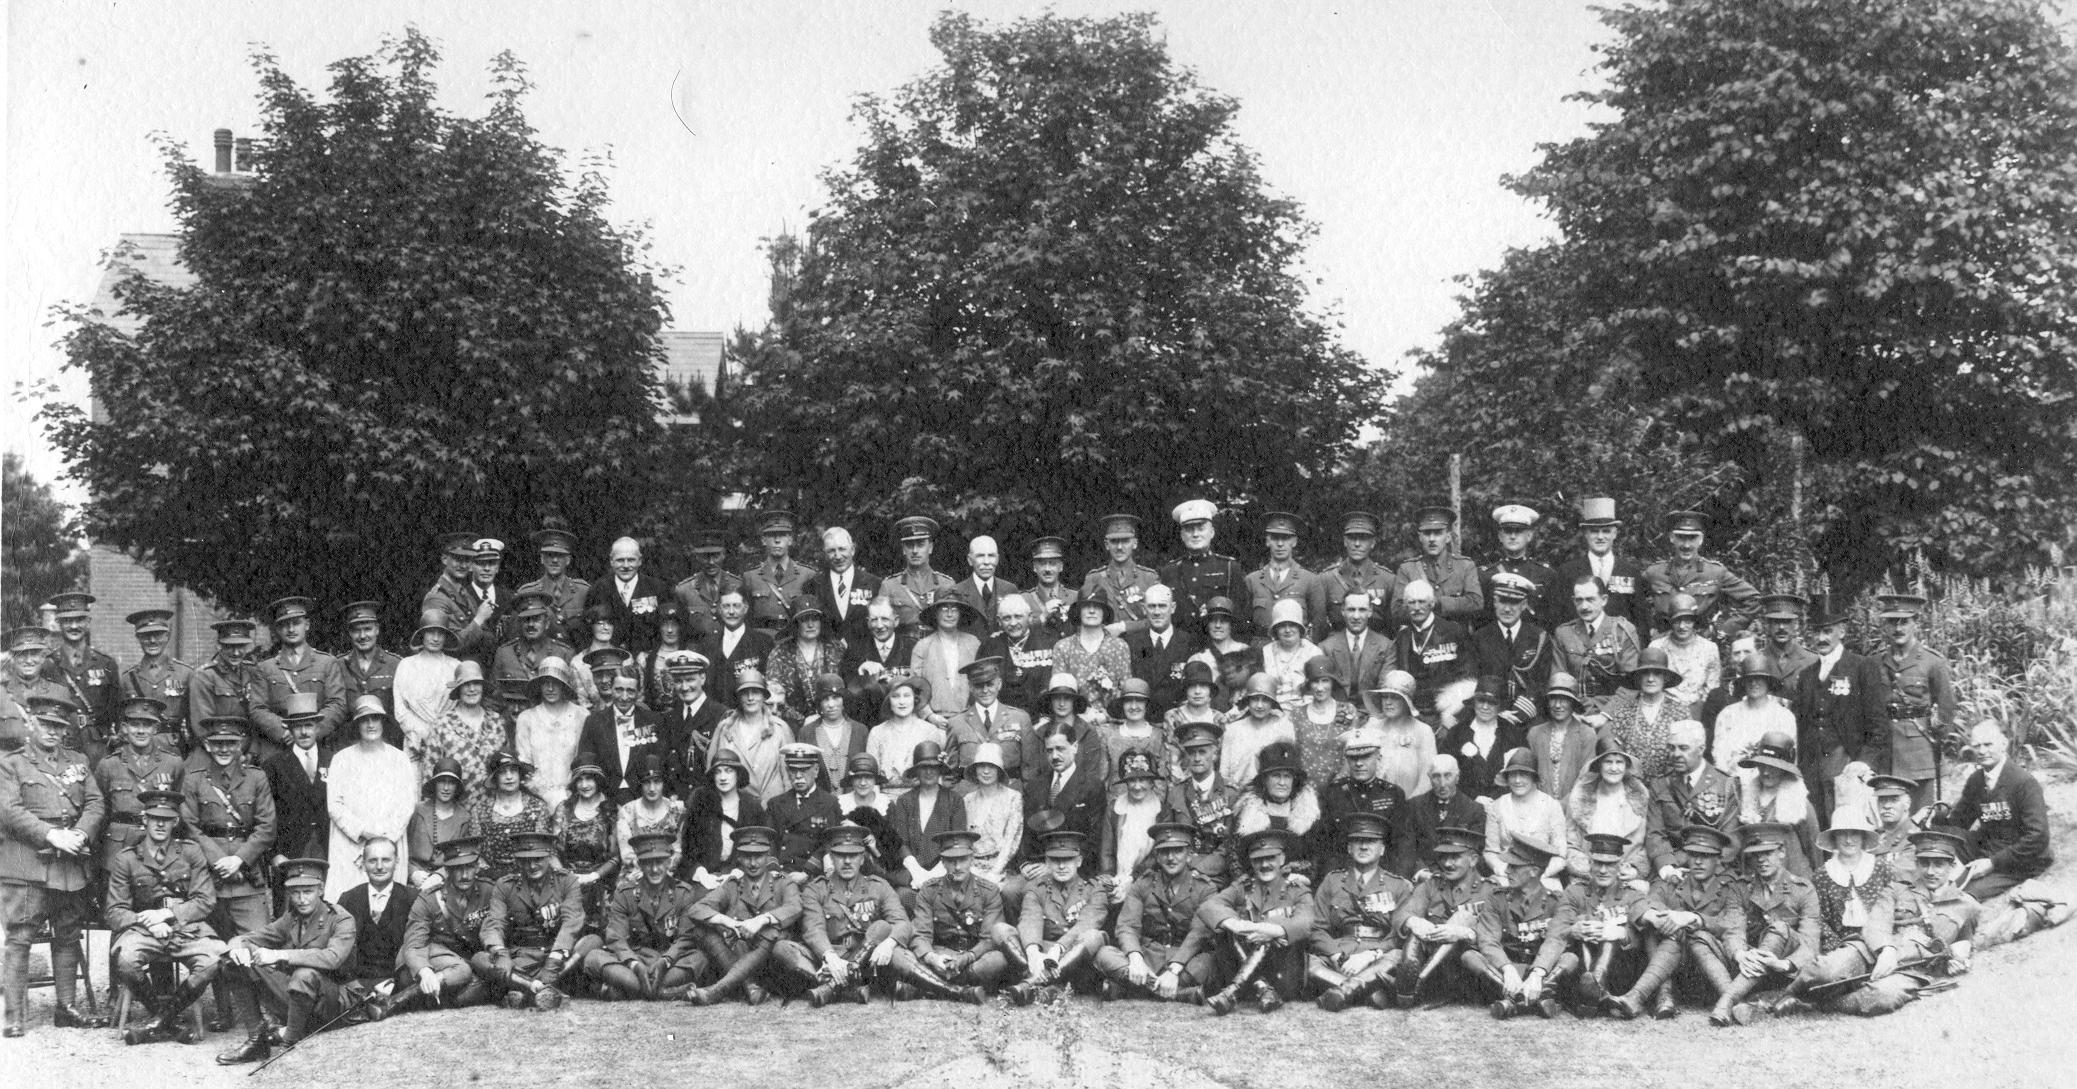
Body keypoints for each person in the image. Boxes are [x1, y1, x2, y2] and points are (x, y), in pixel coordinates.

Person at [0, 701, 107, 1037]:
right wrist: (51, 834)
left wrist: (80, 832)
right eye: (46, 723)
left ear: (66, 729)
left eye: (59, 726)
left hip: (69, 860)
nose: (52, 731)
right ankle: (15, 1015)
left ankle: (67, 1008)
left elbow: (95, 801)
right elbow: (9, 810)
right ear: (31, 722)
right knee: (20, 936)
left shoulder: (78, 762)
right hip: (27, 859)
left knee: (68, 932)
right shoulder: (11, 763)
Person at [107, 788, 226, 1045]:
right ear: (144, 820)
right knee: (126, 959)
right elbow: (114, 912)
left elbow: (205, 901)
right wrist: (146, 921)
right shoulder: (126, 859)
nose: (160, 824)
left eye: (167, 818)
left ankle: (159, 1022)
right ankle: (166, 1020)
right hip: (144, 931)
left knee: (214, 958)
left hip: (186, 929)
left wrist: (168, 915)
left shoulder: (191, 852)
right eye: (154, 818)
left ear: (176, 822)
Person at [210, 858, 357, 1065]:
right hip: (301, 994)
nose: (301, 899)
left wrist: (280, 955)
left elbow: (333, 958)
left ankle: (290, 1040)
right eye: (295, 893)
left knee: (304, 974)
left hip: (335, 998)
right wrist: (237, 948)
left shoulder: (341, 919)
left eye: (308, 892)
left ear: (321, 890)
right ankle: (257, 1040)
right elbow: (250, 938)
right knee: (231, 962)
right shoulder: (292, 918)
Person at [1600, 825, 1744, 1019]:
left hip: (1714, 975)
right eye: (1693, 854)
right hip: (1680, 973)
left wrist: (1696, 919)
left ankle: (1642, 996)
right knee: (1662, 927)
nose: (1699, 861)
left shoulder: (1730, 887)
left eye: (1706, 856)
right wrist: (1660, 916)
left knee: (1685, 932)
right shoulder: (1675, 881)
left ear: (1719, 859)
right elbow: (1642, 902)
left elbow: (1733, 924)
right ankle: (1653, 996)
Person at [181, 716, 278, 1005]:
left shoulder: (256, 778)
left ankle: (268, 1008)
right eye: (217, 743)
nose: (224, 749)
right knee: (216, 945)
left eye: (231, 743)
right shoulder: (195, 780)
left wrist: (239, 860)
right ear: (207, 746)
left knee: (259, 941)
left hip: (247, 877)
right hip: (211, 879)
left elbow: (266, 827)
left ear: (240, 746)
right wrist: (218, 859)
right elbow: (189, 826)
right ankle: (223, 1008)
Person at [1772, 807, 1898, 1013]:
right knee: (1831, 972)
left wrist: (1885, 944)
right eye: (1843, 834)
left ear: (1863, 836)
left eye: (1854, 833)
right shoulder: (1822, 875)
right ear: (1834, 838)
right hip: (1843, 946)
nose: (1849, 840)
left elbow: (1894, 906)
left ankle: (1823, 1000)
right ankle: (1793, 994)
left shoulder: (1881, 868)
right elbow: (1818, 919)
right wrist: (1837, 948)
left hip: (1880, 944)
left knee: (1882, 993)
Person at [1094, 820, 1216, 1004]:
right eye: (1165, 851)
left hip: (1184, 960)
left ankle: (1132, 989)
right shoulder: (1142, 884)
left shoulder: (1205, 888)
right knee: (1103, 954)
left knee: (1209, 962)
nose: (1171, 858)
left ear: (1189, 855)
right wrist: (1135, 959)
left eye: (1178, 851)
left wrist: (1175, 970)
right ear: (1157, 856)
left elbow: (1199, 933)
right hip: (1148, 958)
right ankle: (1180, 994)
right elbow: (1127, 926)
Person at [1526, 832, 1648, 1017]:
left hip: (1619, 973)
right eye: (1598, 863)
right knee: (1582, 921)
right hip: (1580, 970)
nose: (1603, 870)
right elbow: (1556, 931)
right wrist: (1573, 931)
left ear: (1621, 866)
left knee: (1608, 933)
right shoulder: (1575, 893)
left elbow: (1644, 937)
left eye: (1610, 864)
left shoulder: (1633, 896)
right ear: (1590, 864)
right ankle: (1592, 990)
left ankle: (1596, 984)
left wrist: (1620, 933)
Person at [1713, 821, 1821, 1025]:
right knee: (1703, 940)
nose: (1761, 860)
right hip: (1748, 967)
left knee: (1779, 927)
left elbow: (1810, 944)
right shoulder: (1741, 887)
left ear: (1782, 852)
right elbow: (1733, 928)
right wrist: (1740, 953)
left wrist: (1782, 964)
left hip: (1785, 970)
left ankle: (1726, 1002)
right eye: (1755, 854)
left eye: (1768, 852)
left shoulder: (1803, 889)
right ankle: (1742, 1001)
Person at [1795, 593, 1890, 818]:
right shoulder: (1806, 676)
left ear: (1842, 632)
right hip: (1812, 769)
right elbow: (1801, 726)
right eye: (1816, 632)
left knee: (1848, 826)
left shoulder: (1861, 667)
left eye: (1827, 631)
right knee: (1817, 827)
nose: (1821, 638)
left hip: (1849, 764)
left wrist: (1864, 763)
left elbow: (1878, 725)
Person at [1200, 827, 1315, 1015]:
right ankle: (1262, 987)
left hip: (1283, 977)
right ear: (1251, 863)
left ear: (1282, 859)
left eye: (1271, 858)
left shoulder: (1296, 889)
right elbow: (1208, 907)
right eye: (1258, 860)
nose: (1265, 865)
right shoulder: (1242, 887)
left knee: (1269, 935)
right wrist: (1238, 925)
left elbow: (1307, 922)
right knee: (1228, 928)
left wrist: (1270, 930)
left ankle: (1233, 991)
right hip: (1248, 975)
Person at [581, 832, 708, 1001]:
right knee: (593, 958)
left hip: (669, 963)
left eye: (660, 862)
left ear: (669, 862)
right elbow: (616, 938)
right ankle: (663, 992)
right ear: (639, 864)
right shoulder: (625, 893)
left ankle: (631, 990)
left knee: (700, 959)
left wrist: (666, 960)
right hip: (634, 959)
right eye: (648, 863)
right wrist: (634, 965)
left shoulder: (683, 892)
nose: (655, 869)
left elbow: (686, 938)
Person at [683, 825, 802, 1005]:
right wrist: (728, 922)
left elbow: (795, 907)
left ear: (768, 855)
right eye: (747, 857)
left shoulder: (783, 883)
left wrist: (762, 920)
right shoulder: (732, 885)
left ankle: (718, 990)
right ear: (739, 857)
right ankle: (749, 986)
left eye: (759, 856)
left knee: (771, 932)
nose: (753, 863)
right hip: (738, 956)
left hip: (771, 964)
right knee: (701, 930)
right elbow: (696, 909)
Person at [1307, 811, 1414, 1011]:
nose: (1364, 846)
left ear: (1382, 849)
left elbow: (1399, 934)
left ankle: (1343, 991)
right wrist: (1335, 955)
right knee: (1311, 964)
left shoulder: (1398, 886)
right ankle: (1369, 992)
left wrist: (1370, 955)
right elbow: (1317, 928)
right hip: (1341, 954)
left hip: (1378, 955)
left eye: (1371, 841)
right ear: (1349, 847)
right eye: (1357, 841)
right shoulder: (1332, 881)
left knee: (1397, 957)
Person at [1939, 719, 2053, 900]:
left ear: (2003, 744)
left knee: (1965, 892)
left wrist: (1993, 863)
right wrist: (1936, 817)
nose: (1982, 751)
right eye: (1976, 746)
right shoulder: (1976, 780)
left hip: (2020, 858)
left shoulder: (2024, 782)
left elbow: (2038, 837)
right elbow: (1959, 822)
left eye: (1988, 744)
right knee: (1937, 848)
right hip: (1987, 847)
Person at [479, 831, 583, 1010]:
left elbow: (571, 922)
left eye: (538, 859)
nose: (532, 865)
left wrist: (554, 959)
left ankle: (524, 990)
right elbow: (494, 924)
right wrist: (500, 952)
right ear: (518, 861)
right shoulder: (505, 886)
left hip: (556, 956)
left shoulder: (567, 881)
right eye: (526, 860)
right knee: (481, 959)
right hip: (523, 959)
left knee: (591, 944)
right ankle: (540, 989)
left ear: (549, 856)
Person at [324, 697, 416, 900]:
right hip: (351, 845)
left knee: (387, 902)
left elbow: (407, 804)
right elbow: (335, 805)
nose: (371, 724)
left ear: (383, 722)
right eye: (365, 720)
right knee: (348, 903)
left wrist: (384, 837)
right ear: (357, 724)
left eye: (376, 718)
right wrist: (363, 831)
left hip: (389, 840)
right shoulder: (341, 759)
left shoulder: (399, 759)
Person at [1389, 825, 1490, 1007]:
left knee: (1464, 918)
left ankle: (1413, 985)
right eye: (1443, 856)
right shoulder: (1432, 885)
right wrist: (1414, 922)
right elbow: (1402, 914)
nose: (1447, 863)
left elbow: (1501, 936)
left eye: (1455, 857)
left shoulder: (1489, 890)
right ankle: (1409, 982)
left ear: (1473, 860)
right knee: (1415, 931)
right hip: (1430, 957)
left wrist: (1466, 934)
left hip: (1464, 971)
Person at [1006, 828, 1109, 1005]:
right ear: (1046, 861)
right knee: (1001, 930)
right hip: (1043, 954)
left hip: (1075, 954)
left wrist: (1057, 950)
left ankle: (1035, 982)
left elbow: (1087, 924)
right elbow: (1030, 919)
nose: (1061, 866)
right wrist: (1033, 954)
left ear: (1079, 861)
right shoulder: (1036, 888)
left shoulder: (1094, 889)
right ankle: (1053, 985)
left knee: (1094, 937)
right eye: (1055, 860)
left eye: (1068, 860)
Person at [1874, 592, 1957, 812]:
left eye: (1905, 621)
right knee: (1888, 813)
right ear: (1885, 626)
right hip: (1886, 753)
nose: (1898, 628)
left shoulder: (1932, 662)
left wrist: (1938, 739)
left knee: (1922, 815)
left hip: (1919, 752)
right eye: (1892, 622)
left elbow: (1947, 707)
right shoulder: (1876, 662)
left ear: (1916, 623)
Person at [1468, 836, 1565, 1018]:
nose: (1506, 870)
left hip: (1539, 968)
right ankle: (1536, 998)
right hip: (1507, 968)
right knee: (1470, 957)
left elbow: (1555, 940)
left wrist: (1537, 974)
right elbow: (1488, 940)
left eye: (1514, 866)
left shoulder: (1556, 901)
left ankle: (1512, 1001)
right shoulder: (1496, 898)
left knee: (1570, 958)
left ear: (1534, 871)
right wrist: (1507, 968)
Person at [909, 829, 1015, 996]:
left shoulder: (989, 891)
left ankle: (930, 986)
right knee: (904, 955)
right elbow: (921, 934)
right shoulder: (929, 890)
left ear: (972, 859)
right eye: (951, 861)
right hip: (941, 954)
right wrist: (932, 958)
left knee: (998, 960)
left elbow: (989, 939)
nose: (957, 867)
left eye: (963, 859)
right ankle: (961, 991)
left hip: (974, 958)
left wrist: (967, 958)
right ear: (942, 861)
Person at [399, 836, 499, 1010]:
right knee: (463, 972)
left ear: (477, 866)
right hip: (427, 957)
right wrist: (426, 972)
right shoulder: (429, 899)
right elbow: (414, 944)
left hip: (461, 962)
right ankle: (407, 998)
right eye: (458, 869)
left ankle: (432, 998)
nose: (465, 875)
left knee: (480, 976)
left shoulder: (488, 891)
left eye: (469, 867)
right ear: (447, 870)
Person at [249, 596, 349, 760]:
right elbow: (257, 708)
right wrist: (283, 732)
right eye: (284, 624)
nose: (291, 629)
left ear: (307, 625)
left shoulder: (326, 663)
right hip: (279, 749)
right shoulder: (266, 668)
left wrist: (313, 731)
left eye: (296, 623)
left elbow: (337, 704)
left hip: (319, 746)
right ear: (277, 630)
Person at [1645, 720, 1742, 881]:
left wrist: (1707, 869)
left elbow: (1731, 841)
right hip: (1672, 870)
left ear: (1701, 749)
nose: (1675, 754)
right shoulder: (1660, 784)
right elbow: (1655, 834)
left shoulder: (1725, 784)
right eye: (1671, 747)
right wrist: (1667, 868)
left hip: (1716, 871)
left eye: (1683, 748)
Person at [1642, 510, 1760, 638]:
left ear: (1701, 539)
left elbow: (1754, 600)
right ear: (1671, 538)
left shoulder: (1714, 572)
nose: (1686, 545)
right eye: (1681, 537)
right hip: (1662, 645)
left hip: (1701, 643)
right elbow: (1632, 601)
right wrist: (1646, 629)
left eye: (1692, 538)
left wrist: (1723, 630)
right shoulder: (1654, 573)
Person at [98, 696, 187, 866]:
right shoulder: (109, 764)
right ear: (124, 728)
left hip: (159, 845)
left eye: (147, 725)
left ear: (155, 729)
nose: (141, 731)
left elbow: (180, 809)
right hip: (118, 848)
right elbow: (101, 812)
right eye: (134, 724)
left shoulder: (173, 763)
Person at [1016, 723, 1107, 886]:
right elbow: (1026, 833)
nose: (1055, 756)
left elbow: (1095, 838)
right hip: (1037, 867)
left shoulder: (1092, 786)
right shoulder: (1035, 786)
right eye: (1049, 750)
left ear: (1075, 747)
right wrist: (1025, 864)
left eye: (1060, 749)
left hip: (1075, 869)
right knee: (1010, 892)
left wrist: (1054, 866)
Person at [336, 837, 419, 1012]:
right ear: (363, 863)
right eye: (373, 860)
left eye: (386, 860)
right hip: (359, 984)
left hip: (399, 984)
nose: (379, 866)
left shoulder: (413, 898)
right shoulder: (348, 899)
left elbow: (418, 945)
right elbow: (339, 947)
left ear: (396, 862)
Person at [40, 591, 121, 764]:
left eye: (79, 620)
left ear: (88, 622)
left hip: (97, 748)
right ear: (58, 623)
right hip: (61, 744)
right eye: (68, 621)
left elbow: (117, 712)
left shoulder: (106, 664)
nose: (74, 626)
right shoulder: (48, 665)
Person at [1468, 572, 1555, 728]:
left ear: (1523, 605)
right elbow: (1473, 679)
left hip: (1529, 715)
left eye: (1514, 603)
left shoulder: (1539, 637)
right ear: (1494, 601)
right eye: (1502, 601)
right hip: (1490, 713)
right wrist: (1498, 711)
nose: (1507, 609)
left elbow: (1543, 680)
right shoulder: (1480, 637)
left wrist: (1519, 712)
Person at [1554, 497, 1650, 634]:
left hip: (1621, 649)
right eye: (1594, 531)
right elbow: (1559, 619)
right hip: (1580, 648)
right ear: (1585, 534)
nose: (1600, 537)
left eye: (1606, 531)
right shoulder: (1567, 572)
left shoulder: (1630, 572)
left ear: (1615, 534)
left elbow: (1641, 621)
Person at [1160, 722, 1239, 885]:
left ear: (1215, 754)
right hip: (1180, 871)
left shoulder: (1230, 793)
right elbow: (1166, 837)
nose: (1196, 758)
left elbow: (1230, 846)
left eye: (1202, 752)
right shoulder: (1176, 793)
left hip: (1217, 875)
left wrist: (1198, 869)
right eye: (1191, 752)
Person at [1160, 499, 1250, 638]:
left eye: (1201, 528)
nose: (1195, 534)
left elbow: (1241, 615)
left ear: (1212, 532)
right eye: (1189, 530)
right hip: (1181, 649)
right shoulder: (1169, 571)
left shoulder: (1230, 567)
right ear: (1182, 535)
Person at [1231, 741, 1320, 879]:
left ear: (1294, 780)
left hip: (1295, 884)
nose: (1282, 783)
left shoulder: (1308, 815)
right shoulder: (1247, 814)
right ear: (1264, 780)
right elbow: (1235, 858)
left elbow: (1314, 860)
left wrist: (1293, 876)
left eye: (1287, 776)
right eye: (1276, 776)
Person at [1553, 577, 1642, 715]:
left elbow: (1631, 683)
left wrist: (1605, 715)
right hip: (1574, 710)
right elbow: (1559, 680)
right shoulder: (1563, 633)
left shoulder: (1623, 631)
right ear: (1573, 601)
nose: (1584, 606)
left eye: (1590, 599)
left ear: (1604, 600)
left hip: (1614, 711)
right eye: (1579, 600)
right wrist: (1576, 711)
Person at [1564, 739, 1650, 881]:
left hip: (1626, 876)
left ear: (1626, 765)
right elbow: (1570, 843)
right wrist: (1587, 870)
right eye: (1608, 762)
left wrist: (1635, 870)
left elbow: (1648, 842)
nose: (1614, 768)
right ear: (1599, 765)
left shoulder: (1640, 797)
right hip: (1588, 875)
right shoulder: (1580, 796)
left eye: (1619, 762)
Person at [1737, 731, 1820, 877]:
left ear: (1784, 769)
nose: (1766, 772)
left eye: (1773, 767)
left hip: (1792, 877)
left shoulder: (1799, 804)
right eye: (1762, 766)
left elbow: (1814, 851)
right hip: (1757, 878)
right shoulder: (1747, 801)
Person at [578, 668, 666, 805]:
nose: (624, 697)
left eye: (630, 691)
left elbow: (661, 761)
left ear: (638, 692)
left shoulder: (653, 721)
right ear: (611, 689)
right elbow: (586, 764)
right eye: (619, 690)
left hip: (643, 796)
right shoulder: (594, 721)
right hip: (605, 797)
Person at [1484, 747, 1569, 887]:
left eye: (1523, 774)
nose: (1517, 780)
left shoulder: (1551, 806)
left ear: (1533, 777)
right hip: (1507, 876)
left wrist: (1542, 875)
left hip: (1544, 876)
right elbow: (1491, 851)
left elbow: (1560, 853)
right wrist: (1503, 870)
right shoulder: (1497, 806)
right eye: (1512, 775)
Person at [1390, 579, 1471, 724]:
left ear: (1432, 603)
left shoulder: (1453, 631)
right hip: (1413, 711)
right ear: (1405, 606)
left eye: (1421, 602)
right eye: (1411, 602)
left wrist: (1452, 712)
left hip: (1446, 710)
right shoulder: (1402, 636)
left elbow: (1466, 674)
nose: (1416, 607)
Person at [1600, 648, 1689, 780]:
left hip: (1670, 789)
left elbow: (1688, 755)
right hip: (1631, 785)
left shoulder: (1680, 712)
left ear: (1665, 678)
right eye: (1645, 674)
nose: (1651, 679)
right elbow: (1614, 753)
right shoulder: (1624, 712)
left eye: (1657, 674)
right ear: (1638, 678)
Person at [682, 751, 766, 888]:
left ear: (738, 774)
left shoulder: (752, 807)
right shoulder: (700, 803)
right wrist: (702, 874)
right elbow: (688, 848)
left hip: (742, 876)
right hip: (705, 877)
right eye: (718, 772)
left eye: (728, 771)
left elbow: (759, 849)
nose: (723, 777)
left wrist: (738, 873)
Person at [1306, 512, 1395, 642]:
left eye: (1363, 538)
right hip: (1337, 652)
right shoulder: (1326, 580)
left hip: (1376, 653)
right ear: (1345, 541)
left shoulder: (1387, 580)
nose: (1357, 544)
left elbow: (1392, 627)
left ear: (1373, 543)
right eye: (1352, 538)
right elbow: (1319, 627)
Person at [553, 758, 621, 929]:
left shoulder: (611, 810)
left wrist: (593, 876)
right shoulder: (564, 808)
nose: (584, 785)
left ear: (598, 780)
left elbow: (616, 857)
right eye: (579, 780)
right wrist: (566, 876)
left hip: (601, 884)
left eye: (589, 778)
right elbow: (551, 851)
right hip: (566, 883)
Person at [426, 661, 511, 794]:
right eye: (466, 684)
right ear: (458, 689)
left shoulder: (496, 721)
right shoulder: (442, 724)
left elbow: (508, 766)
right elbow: (430, 770)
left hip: (494, 805)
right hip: (456, 807)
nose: (472, 689)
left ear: (483, 687)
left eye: (476, 683)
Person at [513, 658, 587, 809]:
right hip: (537, 797)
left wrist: (569, 794)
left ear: (564, 685)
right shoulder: (526, 718)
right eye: (546, 682)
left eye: (556, 683)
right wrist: (544, 795)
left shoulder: (582, 715)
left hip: (574, 796)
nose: (551, 688)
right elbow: (525, 764)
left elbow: (584, 761)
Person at [469, 748, 551, 885]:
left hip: (529, 880)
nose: (509, 777)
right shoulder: (479, 810)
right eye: (502, 772)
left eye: (513, 771)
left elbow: (542, 850)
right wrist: (491, 878)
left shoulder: (537, 807)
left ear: (520, 775)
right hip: (490, 881)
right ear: (495, 778)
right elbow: (475, 852)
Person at [1394, 505, 1484, 626]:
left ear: (1448, 537)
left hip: (1456, 640)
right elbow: (1397, 610)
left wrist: (1439, 603)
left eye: (1438, 533)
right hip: (1421, 639)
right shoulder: (1407, 569)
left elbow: (1476, 603)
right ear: (1420, 537)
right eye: (1427, 533)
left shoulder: (1465, 566)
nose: (1432, 539)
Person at [263, 699, 331, 861]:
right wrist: (275, 854)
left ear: (317, 727)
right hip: (290, 850)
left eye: (308, 725)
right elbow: (267, 815)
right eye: (297, 727)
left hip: (330, 847)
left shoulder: (334, 760)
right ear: (290, 730)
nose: (304, 732)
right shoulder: (274, 765)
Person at [121, 609, 195, 755]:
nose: (153, 641)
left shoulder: (185, 674)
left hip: (173, 750)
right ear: (138, 637)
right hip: (137, 750)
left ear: (167, 636)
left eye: (158, 635)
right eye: (146, 636)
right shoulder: (127, 678)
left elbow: (194, 722)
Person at [1441, 677, 1527, 802]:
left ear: (1500, 706)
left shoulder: (1513, 734)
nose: (1485, 707)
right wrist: (1474, 798)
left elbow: (1523, 774)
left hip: (1506, 805)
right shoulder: (1457, 733)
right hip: (1464, 806)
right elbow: (1445, 773)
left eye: (1492, 702)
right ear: (1474, 702)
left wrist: (1496, 799)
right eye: (1481, 701)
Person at [1477, 503, 1562, 629]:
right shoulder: (1486, 575)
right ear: (1500, 536)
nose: (1512, 536)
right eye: (1508, 531)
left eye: (1518, 531)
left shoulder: (1546, 574)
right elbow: (1480, 621)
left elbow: (1554, 619)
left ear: (1529, 536)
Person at [1124, 584, 1202, 720]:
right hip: (1141, 720)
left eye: (1162, 606)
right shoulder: (1131, 643)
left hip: (1178, 720)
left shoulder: (1190, 643)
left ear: (1172, 608)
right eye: (1152, 606)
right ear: (1143, 609)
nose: (1157, 612)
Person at [490, 591, 579, 712]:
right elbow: (494, 700)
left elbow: (573, 699)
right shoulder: (504, 653)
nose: (531, 624)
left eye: (536, 619)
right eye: (526, 620)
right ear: (520, 623)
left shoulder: (564, 653)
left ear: (546, 623)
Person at [184, 620, 262, 755]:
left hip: (251, 752)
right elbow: (202, 726)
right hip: (219, 751)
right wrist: (233, 753)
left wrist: (252, 752)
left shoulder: (252, 672)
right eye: (229, 646)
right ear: (218, 646)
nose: (236, 653)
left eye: (241, 646)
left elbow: (259, 717)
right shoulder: (204, 677)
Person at [581, 536, 670, 654]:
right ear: (611, 561)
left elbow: (667, 627)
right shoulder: (598, 590)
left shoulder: (658, 589)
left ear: (640, 561)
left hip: (647, 661)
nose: (626, 565)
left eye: (631, 560)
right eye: (620, 560)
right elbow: (587, 630)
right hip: (609, 660)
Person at [766, 743, 842, 879]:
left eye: (804, 770)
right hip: (779, 874)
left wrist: (807, 872)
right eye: (793, 770)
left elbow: (829, 843)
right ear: (787, 771)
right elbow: (769, 840)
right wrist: (772, 869)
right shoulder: (776, 803)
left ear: (816, 770)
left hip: (812, 875)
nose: (798, 776)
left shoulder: (829, 803)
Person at [944, 657, 1026, 781]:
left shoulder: (1020, 718)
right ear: (970, 687)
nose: (985, 690)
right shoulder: (956, 723)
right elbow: (951, 774)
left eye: (990, 684)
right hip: (971, 795)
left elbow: (1031, 769)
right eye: (979, 685)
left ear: (999, 684)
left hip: (1010, 793)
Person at [393, 610, 461, 758]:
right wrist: (420, 732)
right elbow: (400, 709)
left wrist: (444, 733)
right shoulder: (407, 665)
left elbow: (462, 707)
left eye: (440, 633)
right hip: (415, 740)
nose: (435, 638)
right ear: (422, 635)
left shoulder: (455, 667)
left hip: (450, 740)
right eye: (431, 632)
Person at [1712, 652, 1795, 773]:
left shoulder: (1783, 716)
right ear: (1743, 683)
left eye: (1759, 678)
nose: (1754, 683)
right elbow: (1719, 754)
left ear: (1768, 682)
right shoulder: (1728, 714)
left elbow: (1788, 757)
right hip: (1733, 779)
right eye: (1749, 679)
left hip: (1771, 779)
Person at [740, 513, 819, 638]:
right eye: (771, 535)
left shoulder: (807, 575)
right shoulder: (750, 577)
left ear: (791, 540)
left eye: (782, 535)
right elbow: (745, 619)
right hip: (762, 642)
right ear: (763, 540)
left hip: (795, 641)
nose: (777, 540)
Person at [1100, 749, 1169, 892]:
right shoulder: (1115, 809)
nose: (1137, 787)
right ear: (1126, 783)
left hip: (1148, 878)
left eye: (1142, 780)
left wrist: (1133, 879)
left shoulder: (1162, 812)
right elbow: (1106, 850)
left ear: (1151, 782)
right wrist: (1108, 876)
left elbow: (1158, 853)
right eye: (1132, 780)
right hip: (1116, 877)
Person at [337, 602, 404, 748]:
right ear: (349, 633)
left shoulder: (395, 664)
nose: (362, 636)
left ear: (377, 630)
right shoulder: (338, 666)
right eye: (356, 631)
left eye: (368, 629)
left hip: (387, 743)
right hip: (349, 745)